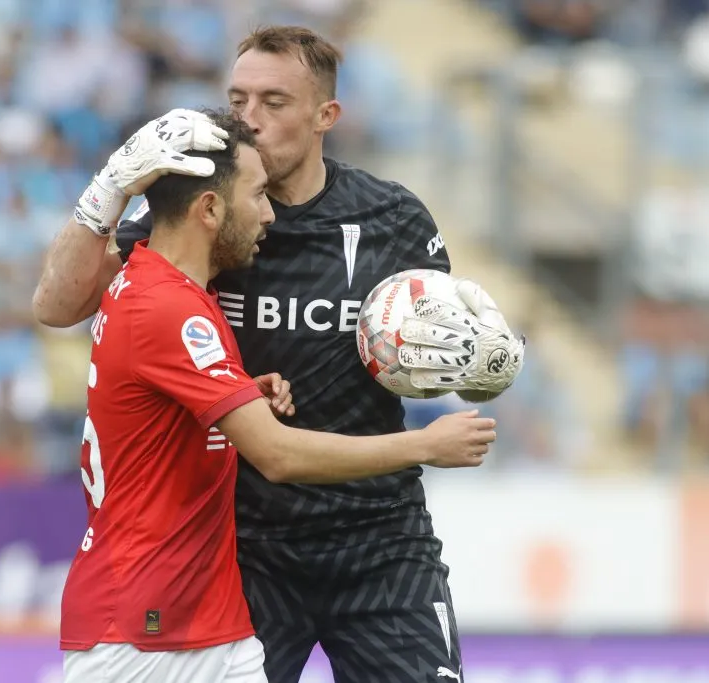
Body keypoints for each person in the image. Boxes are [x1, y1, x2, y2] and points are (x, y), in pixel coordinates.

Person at [37, 27, 523, 683]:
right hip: (247, 551)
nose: (249, 120)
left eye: (273, 101)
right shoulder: (197, 214)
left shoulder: (394, 218)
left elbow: (448, 357)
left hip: (380, 538)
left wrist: (483, 364)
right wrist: (108, 190)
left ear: (326, 116)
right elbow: (60, 305)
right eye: (237, 100)